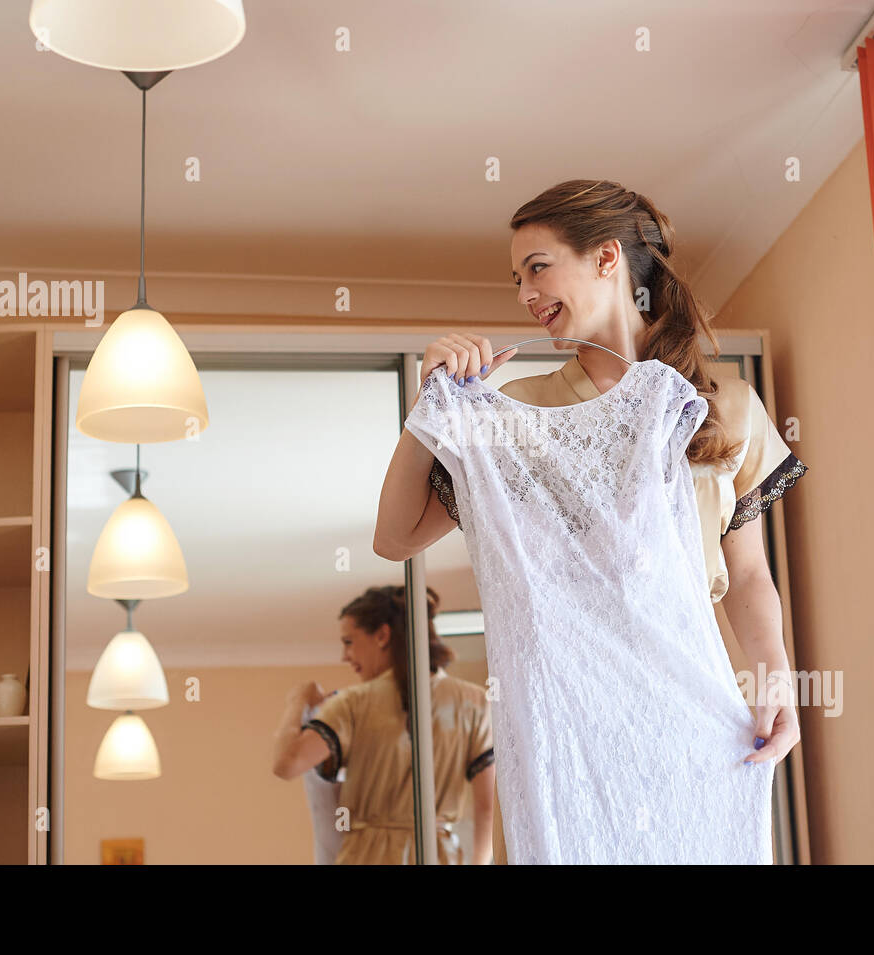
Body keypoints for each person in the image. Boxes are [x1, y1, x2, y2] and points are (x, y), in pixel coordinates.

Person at [373, 179, 808, 859]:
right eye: (516, 278)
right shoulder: (524, 411)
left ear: (607, 258)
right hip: (568, 722)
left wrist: (775, 677)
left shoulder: (724, 405)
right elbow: (394, 536)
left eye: (537, 267)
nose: (524, 293)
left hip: (692, 714)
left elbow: (749, 575)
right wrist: (428, 411)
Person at [272, 585, 496, 865]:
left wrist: (298, 700)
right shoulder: (474, 702)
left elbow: (286, 763)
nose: (345, 656)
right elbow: (486, 808)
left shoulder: (352, 703)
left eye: (349, 642)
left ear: (382, 635)